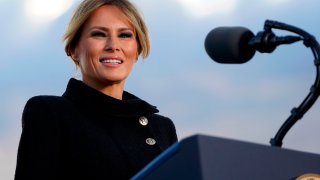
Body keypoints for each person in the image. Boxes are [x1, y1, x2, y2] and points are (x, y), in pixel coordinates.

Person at [14, 0, 178, 179]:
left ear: (137, 50)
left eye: (124, 35)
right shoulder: (50, 112)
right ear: (74, 49)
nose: (113, 45)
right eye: (99, 34)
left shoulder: (162, 127)